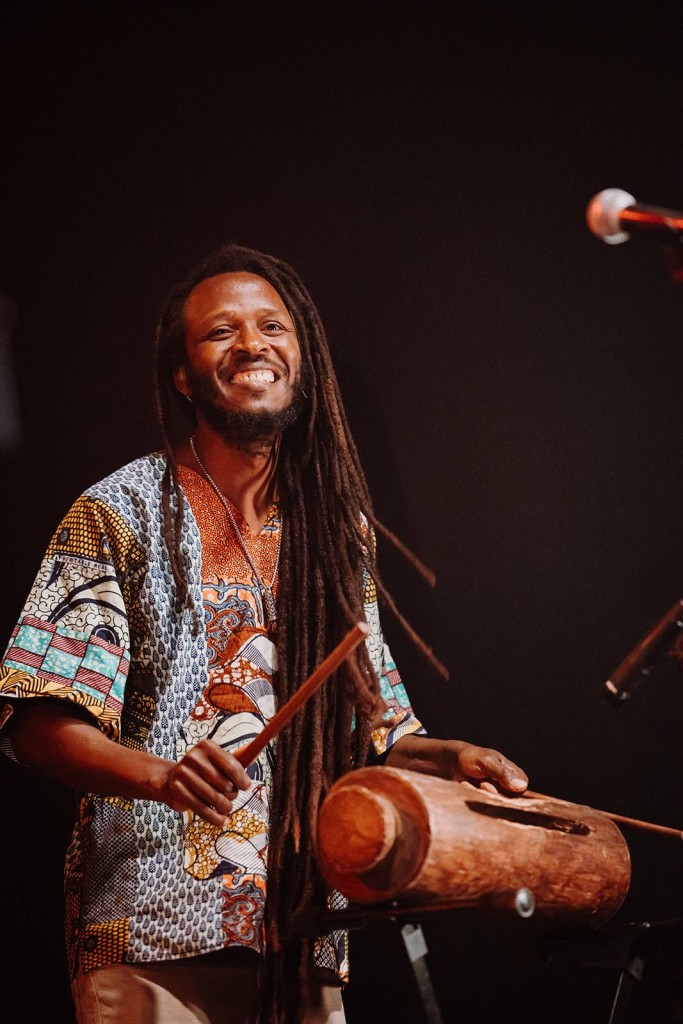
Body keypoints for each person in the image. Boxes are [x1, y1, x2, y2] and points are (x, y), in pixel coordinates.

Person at [0, 243, 528, 1024]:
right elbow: (37, 722)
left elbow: (375, 731)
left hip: (301, 935)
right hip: (150, 939)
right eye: (221, 331)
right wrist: (161, 776)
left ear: (301, 360)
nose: (252, 344)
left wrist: (446, 759)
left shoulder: (334, 533)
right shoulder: (117, 511)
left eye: (272, 327)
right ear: (182, 375)